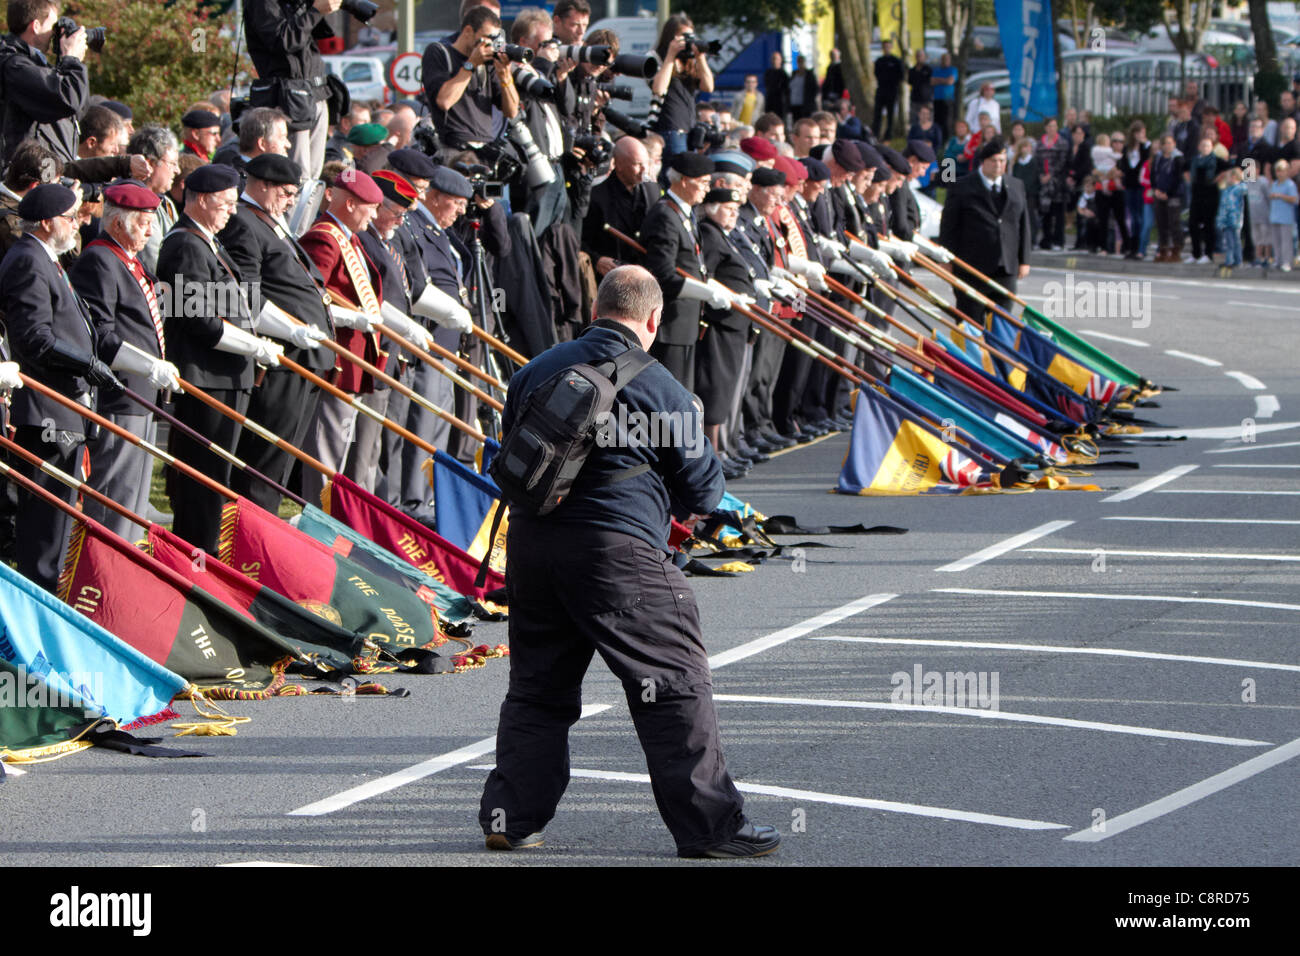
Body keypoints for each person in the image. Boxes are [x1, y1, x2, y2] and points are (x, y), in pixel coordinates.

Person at [477, 264, 778, 860]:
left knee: (538, 690)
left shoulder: (536, 370)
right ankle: (711, 828)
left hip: (534, 547)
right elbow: (705, 493)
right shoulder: (663, 387)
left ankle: (511, 818)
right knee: (671, 684)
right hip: (618, 553)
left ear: (597, 308)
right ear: (654, 319)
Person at [158, 164, 283, 553]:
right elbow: (195, 319)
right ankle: (196, 553)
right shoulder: (184, 245)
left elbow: (236, 303)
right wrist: (253, 346)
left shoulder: (208, 241)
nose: (232, 211)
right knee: (203, 479)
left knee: (217, 476)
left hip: (229, 378)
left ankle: (205, 549)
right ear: (199, 200)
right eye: (225, 203)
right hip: (206, 378)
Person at [0, 182, 117, 591]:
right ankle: (37, 613)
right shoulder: (28, 260)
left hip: (65, 405)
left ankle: (45, 598)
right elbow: (34, 337)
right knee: (45, 529)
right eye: (71, 217)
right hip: (44, 409)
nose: (78, 223)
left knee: (58, 521)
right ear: (48, 222)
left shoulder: (47, 258)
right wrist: (86, 363)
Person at [217, 153, 336, 514]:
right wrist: (292, 330)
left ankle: (259, 529)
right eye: (285, 193)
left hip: (304, 357)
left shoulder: (271, 221)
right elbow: (244, 297)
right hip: (280, 360)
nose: (290, 201)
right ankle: (246, 539)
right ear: (262, 185)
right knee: (263, 463)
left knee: (281, 463)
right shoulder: (242, 221)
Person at [71, 181, 181, 542]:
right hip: (120, 393)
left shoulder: (126, 259)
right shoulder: (100, 259)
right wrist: (148, 365)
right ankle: (101, 578)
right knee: (114, 498)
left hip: (140, 393)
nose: (151, 230)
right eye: (144, 222)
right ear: (118, 223)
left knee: (134, 500)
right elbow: (100, 335)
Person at [637, 150, 722, 391]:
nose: (707, 189)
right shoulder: (665, 214)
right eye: (703, 183)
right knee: (667, 395)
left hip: (685, 321)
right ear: (684, 180)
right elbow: (662, 274)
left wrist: (708, 287)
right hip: (670, 322)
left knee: (681, 393)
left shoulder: (684, 212)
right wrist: (705, 293)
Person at [938, 138, 1031, 325]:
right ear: (983, 162)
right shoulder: (962, 186)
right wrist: (946, 260)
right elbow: (949, 227)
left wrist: (1024, 260)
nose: (999, 165)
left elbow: (1023, 224)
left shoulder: (1015, 185)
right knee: (970, 323)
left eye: (1002, 161)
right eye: (994, 161)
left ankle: (996, 355)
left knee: (1002, 324)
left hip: (1005, 267)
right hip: (971, 266)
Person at [244, 0, 337, 180]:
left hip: (315, 92)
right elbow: (283, 40)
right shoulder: (263, 3)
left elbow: (323, 32)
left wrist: (320, 7)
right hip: (289, 98)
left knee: (312, 181)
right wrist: (315, 11)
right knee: (297, 177)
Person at [422, 5, 520, 158]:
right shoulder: (439, 52)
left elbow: (511, 111)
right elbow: (444, 101)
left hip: (484, 150)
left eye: (495, 39)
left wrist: (505, 76)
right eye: (487, 37)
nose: (490, 45)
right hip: (453, 149)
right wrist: (471, 64)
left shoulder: (488, 61)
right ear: (468, 31)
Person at [0, 0, 89, 164]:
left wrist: (66, 63)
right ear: (35, 26)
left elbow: (77, 111)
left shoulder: (34, 66)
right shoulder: (14, 67)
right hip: (25, 180)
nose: (55, 33)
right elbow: (69, 99)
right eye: (53, 26)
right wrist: (72, 60)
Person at [649, 14, 714, 162]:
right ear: (671, 37)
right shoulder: (656, 57)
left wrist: (700, 57)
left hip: (689, 127)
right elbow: (658, 88)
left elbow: (708, 86)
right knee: (676, 173)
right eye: (684, 37)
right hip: (670, 126)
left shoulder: (690, 60)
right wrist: (671, 55)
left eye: (691, 36)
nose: (687, 41)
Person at [1268, 158, 1297, 271]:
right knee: (1276, 241)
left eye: (1282, 170)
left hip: (1286, 217)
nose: (1279, 173)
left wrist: (1280, 196)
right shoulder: (1275, 184)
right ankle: (1278, 260)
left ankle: (1286, 262)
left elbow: (1294, 199)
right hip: (1275, 216)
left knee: (1286, 241)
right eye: (1278, 170)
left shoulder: (1290, 185)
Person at [1216, 165, 1246, 268]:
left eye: (1228, 176)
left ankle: (1238, 260)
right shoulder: (1226, 190)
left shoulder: (1240, 189)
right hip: (1226, 220)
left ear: (1234, 177)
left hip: (1235, 219)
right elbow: (1223, 206)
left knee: (1236, 241)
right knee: (1228, 241)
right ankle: (1229, 260)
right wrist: (1220, 219)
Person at [872, 39, 903, 139]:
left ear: (891, 47)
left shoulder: (896, 61)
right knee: (877, 114)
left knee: (890, 115)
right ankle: (875, 134)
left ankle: (888, 136)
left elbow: (900, 76)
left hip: (892, 91)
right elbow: (876, 74)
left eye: (888, 46)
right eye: (884, 46)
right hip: (881, 90)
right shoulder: (879, 61)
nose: (886, 48)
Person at [931, 52, 957, 139]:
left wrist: (938, 80)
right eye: (943, 59)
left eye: (947, 59)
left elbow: (950, 81)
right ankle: (938, 139)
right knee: (937, 121)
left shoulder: (953, 70)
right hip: (937, 99)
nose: (945, 61)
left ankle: (947, 140)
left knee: (947, 121)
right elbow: (932, 82)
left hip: (948, 99)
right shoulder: (936, 70)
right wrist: (944, 80)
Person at [788, 54, 820, 121]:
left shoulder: (809, 75)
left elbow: (816, 89)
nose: (800, 64)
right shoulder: (793, 74)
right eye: (798, 62)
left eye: (801, 62)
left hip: (805, 105)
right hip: (794, 104)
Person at [763, 50, 789, 123]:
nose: (775, 61)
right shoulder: (768, 73)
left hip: (780, 103)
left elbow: (786, 90)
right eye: (773, 58)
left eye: (777, 59)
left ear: (780, 60)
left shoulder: (784, 74)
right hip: (770, 102)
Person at [908, 49, 933, 125]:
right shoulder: (912, 70)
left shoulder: (928, 69)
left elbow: (931, 82)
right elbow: (910, 82)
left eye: (921, 56)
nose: (919, 57)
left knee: (927, 120)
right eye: (918, 56)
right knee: (914, 120)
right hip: (915, 98)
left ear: (924, 57)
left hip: (926, 99)